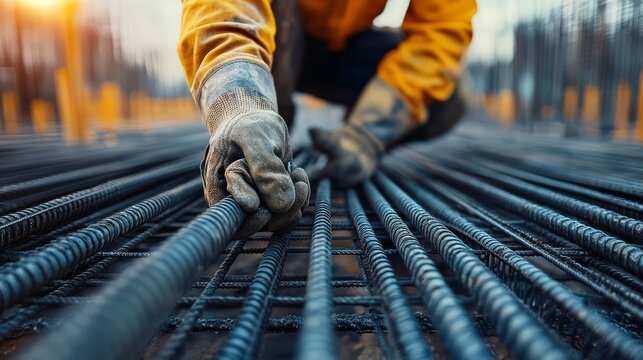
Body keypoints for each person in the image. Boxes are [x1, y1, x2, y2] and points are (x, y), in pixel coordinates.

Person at [178, 0, 476, 237]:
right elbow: (224, 6)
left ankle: (350, 135)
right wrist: (239, 104)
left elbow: (440, 31)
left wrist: (367, 134)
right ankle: (267, 128)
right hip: (278, 34)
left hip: (345, 48)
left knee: (449, 94)